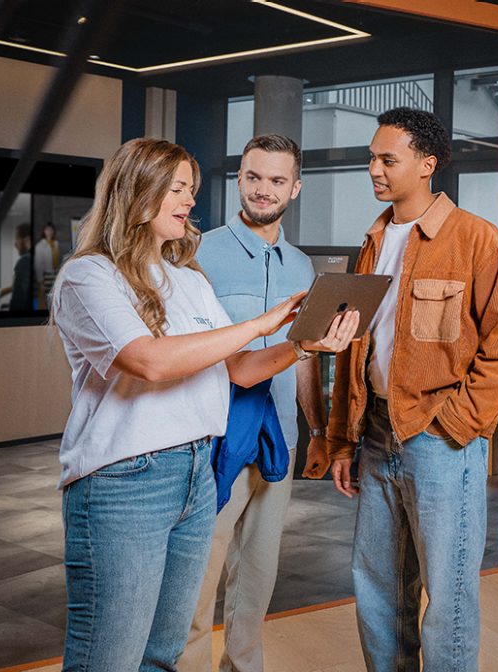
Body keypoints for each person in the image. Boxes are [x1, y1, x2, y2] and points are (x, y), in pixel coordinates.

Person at [49, 138, 353, 671]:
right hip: (125, 481)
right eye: (177, 189)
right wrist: (261, 323)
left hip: (194, 469)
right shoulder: (88, 274)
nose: (190, 200)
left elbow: (238, 368)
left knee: (161, 654)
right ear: (137, 191)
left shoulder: (187, 279)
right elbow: (148, 361)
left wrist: (303, 345)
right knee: (110, 657)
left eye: (190, 188)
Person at [323, 107, 498, 670]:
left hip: (441, 443)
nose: (374, 168)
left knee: (448, 598)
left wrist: (456, 423)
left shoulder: (474, 239)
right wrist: (344, 439)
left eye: (387, 159)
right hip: (375, 437)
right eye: (371, 157)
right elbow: (355, 349)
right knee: (378, 589)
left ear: (427, 164)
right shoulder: (370, 242)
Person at [180, 133, 334, 672]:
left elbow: (308, 358)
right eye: (253, 177)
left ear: (295, 187)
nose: (262, 190)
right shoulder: (197, 254)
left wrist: (317, 431)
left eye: (275, 180)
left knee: (257, 578)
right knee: (197, 578)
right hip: (214, 440)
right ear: (239, 179)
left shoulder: (302, 268)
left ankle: (244, 667)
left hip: (281, 442)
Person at [9, 223, 37, 312]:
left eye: (17, 239)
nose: (15, 244)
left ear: (27, 239)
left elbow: (19, 298)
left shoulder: (24, 261)